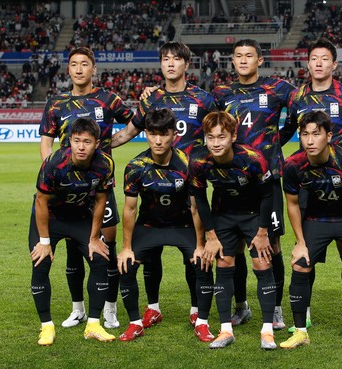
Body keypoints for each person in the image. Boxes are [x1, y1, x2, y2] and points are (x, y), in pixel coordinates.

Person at [113, 41, 218, 329]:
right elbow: (128, 132)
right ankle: (153, 307)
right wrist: (99, 147)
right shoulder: (150, 100)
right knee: (152, 252)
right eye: (165, 59)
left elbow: (221, 131)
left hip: (191, 184)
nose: (170, 64)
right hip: (153, 185)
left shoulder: (203, 99)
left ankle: (197, 309)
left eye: (176, 59)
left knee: (193, 256)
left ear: (187, 64)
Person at [280, 37, 342, 334]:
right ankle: (303, 312)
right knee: (307, 254)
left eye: (324, 59)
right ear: (308, 63)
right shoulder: (296, 98)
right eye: (313, 59)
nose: (318, 64)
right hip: (308, 182)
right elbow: (285, 133)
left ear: (334, 64)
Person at [39, 46, 134, 330]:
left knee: (107, 246)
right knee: (73, 247)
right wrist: (51, 171)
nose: (79, 69)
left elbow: (134, 124)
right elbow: (46, 141)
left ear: (93, 69)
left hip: (99, 185)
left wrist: (110, 144)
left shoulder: (108, 98)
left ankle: (110, 308)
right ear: (68, 69)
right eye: (74, 64)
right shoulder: (56, 103)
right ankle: (78, 308)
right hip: (67, 188)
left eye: (84, 64)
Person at [211, 38, 296, 331]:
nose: (243, 60)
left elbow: (303, 107)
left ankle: (275, 310)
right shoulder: (222, 93)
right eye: (238, 56)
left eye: (249, 55)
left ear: (260, 60)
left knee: (271, 245)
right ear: (232, 61)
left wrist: (277, 142)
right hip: (230, 178)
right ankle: (241, 306)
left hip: (267, 179)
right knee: (230, 246)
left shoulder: (278, 88)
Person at [280, 111, 342, 352]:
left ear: (329, 136)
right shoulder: (292, 164)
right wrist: (299, 242)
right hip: (316, 219)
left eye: (316, 134)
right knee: (300, 263)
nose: (310, 140)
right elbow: (292, 204)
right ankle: (300, 331)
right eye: (305, 135)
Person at [116, 108, 214, 342]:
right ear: (146, 134)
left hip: (182, 225)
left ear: (174, 134)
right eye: (152, 134)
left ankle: (200, 319)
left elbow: (195, 207)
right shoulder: (136, 166)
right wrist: (126, 247)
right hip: (149, 225)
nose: (158, 140)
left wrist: (201, 244)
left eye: (164, 134)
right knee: (126, 266)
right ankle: (137, 321)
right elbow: (130, 209)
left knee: (201, 263)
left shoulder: (188, 164)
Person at [190, 111, 277, 350]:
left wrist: (262, 231)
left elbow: (268, 195)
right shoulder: (198, 162)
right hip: (223, 216)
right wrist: (210, 235)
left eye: (221, 137)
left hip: (253, 215)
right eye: (211, 137)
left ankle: (267, 330)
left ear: (233, 136)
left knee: (263, 263)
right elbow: (200, 199)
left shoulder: (253, 158)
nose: (216, 143)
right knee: (224, 265)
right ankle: (226, 330)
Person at [30, 117, 116, 346]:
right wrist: (45, 241)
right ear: (69, 142)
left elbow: (100, 200)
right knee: (41, 261)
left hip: (80, 217)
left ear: (97, 143)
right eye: (76, 141)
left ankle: (94, 325)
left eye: (87, 141)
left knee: (100, 259)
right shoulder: (54, 163)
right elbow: (41, 201)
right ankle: (47, 327)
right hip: (51, 218)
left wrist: (94, 237)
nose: (81, 146)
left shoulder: (105, 164)